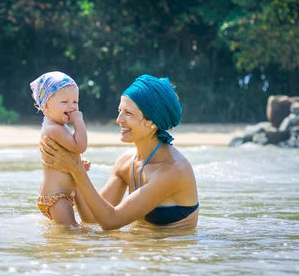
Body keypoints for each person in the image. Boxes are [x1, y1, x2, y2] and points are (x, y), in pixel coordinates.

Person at [40, 74, 199, 231]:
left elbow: (110, 221)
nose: (118, 120)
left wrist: (76, 169)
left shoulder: (174, 170)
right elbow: (91, 217)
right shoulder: (126, 162)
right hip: (142, 248)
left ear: (152, 122)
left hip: (170, 252)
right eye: (119, 111)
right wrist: (69, 173)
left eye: (128, 113)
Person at [30, 71, 89, 226]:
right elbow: (80, 146)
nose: (72, 106)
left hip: (61, 192)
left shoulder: (58, 126)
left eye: (75, 102)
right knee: (70, 232)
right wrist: (79, 122)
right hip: (56, 195)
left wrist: (79, 164)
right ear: (46, 106)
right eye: (64, 102)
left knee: (67, 231)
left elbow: (68, 151)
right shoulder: (53, 129)